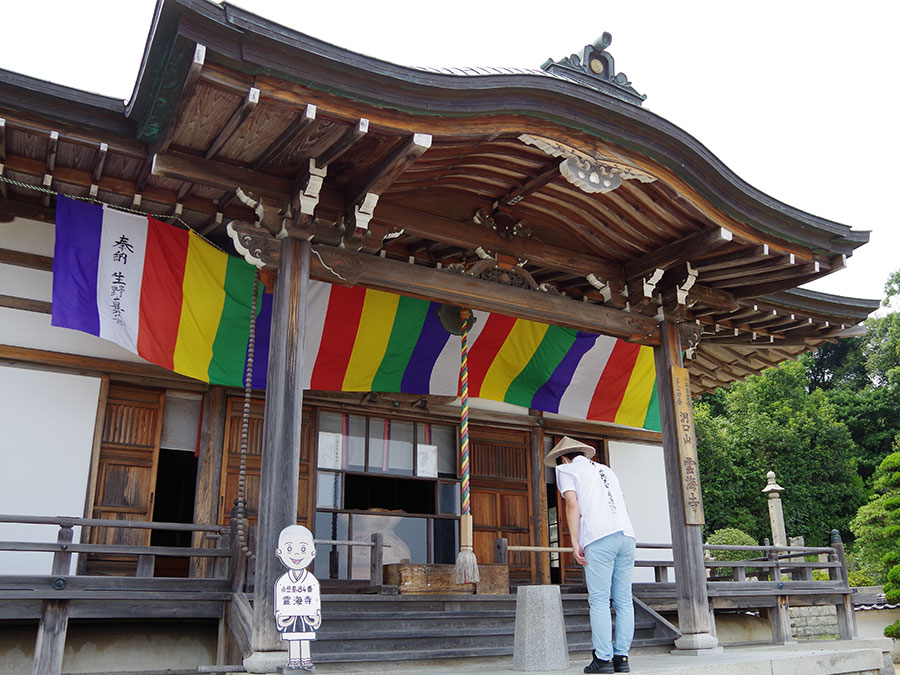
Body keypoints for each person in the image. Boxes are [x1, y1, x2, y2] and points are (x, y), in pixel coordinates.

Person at [545, 436, 635, 674]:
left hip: (599, 536)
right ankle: (621, 657)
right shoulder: (607, 470)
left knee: (599, 600)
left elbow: (571, 504)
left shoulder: (565, 469)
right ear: (584, 454)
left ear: (563, 457)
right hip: (627, 536)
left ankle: (603, 659)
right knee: (624, 599)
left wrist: (574, 541)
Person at [274, 524, 322, 671]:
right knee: (294, 638)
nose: (296, 554)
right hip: (290, 615)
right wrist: (279, 615)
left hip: (306, 615)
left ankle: (305, 660)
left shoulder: (311, 580)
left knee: (305, 638)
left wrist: (316, 614)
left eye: (302, 549)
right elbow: (281, 599)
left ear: (312, 552)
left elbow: (314, 599)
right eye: (289, 549)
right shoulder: (283, 581)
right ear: (279, 552)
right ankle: (294, 660)